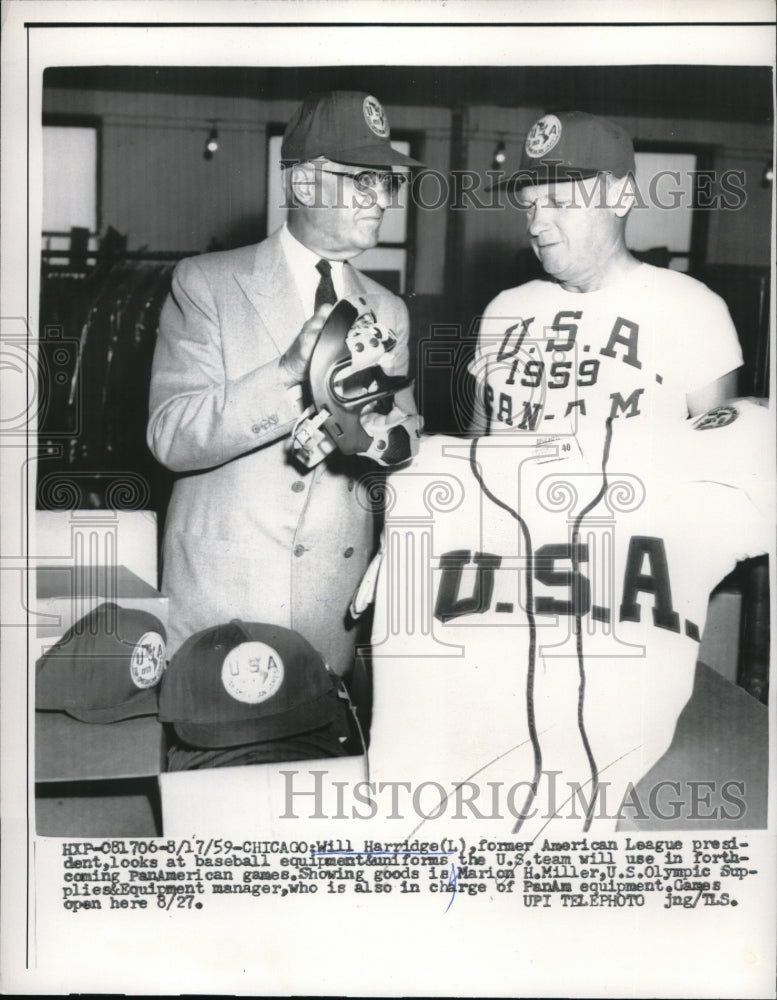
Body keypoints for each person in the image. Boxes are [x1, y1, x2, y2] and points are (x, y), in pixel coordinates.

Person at [147, 91, 422, 680]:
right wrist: (286, 375)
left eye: (387, 183)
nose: (381, 199)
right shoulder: (207, 284)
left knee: (319, 774)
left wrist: (376, 439)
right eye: (362, 180)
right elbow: (170, 436)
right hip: (225, 599)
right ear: (303, 185)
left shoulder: (389, 309)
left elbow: (405, 431)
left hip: (331, 608)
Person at [469, 110, 743, 445]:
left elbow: (722, 460)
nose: (535, 225)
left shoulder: (692, 309)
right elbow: (477, 449)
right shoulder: (502, 309)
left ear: (620, 197)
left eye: (558, 202)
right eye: (530, 205)